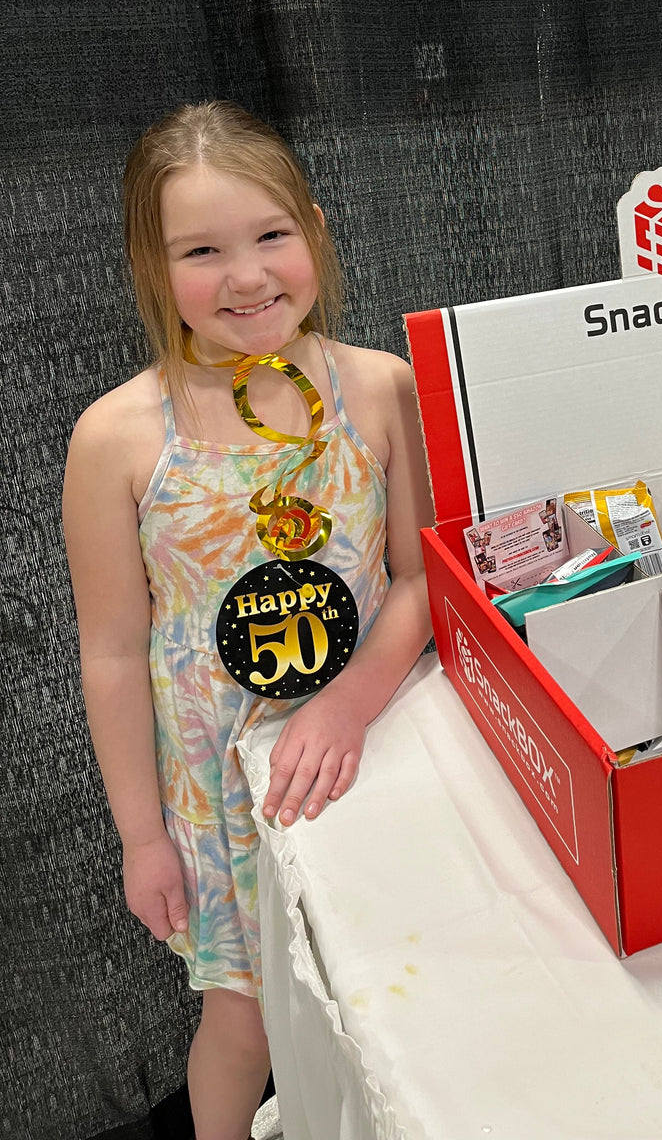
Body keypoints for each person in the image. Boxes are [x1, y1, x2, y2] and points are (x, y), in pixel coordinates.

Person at [63, 101, 434, 1140]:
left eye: (272, 235)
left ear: (314, 229)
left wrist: (351, 705)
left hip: (377, 753)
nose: (248, 276)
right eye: (202, 251)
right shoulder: (117, 438)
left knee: (391, 992)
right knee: (246, 1018)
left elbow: (421, 580)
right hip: (220, 798)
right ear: (152, 264)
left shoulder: (380, 388)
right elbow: (112, 650)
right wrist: (143, 836)